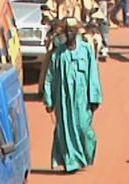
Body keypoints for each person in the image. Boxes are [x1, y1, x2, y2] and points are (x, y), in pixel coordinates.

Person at [43, 18, 103, 173]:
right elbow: (50, 77)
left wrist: (94, 97)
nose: (69, 33)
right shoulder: (58, 54)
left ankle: (84, 157)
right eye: (67, 30)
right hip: (63, 100)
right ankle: (71, 162)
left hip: (82, 100)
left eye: (72, 30)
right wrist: (48, 100)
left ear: (77, 31)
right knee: (65, 131)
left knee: (84, 129)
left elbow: (93, 74)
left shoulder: (86, 50)